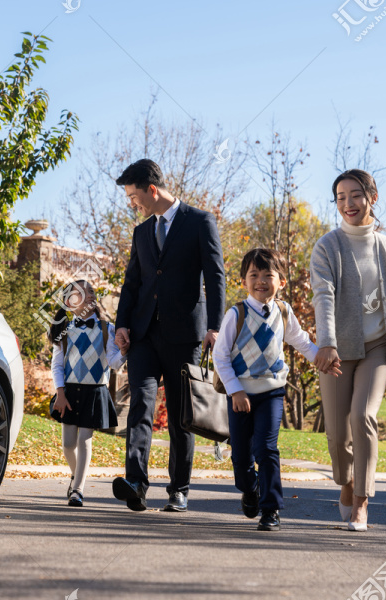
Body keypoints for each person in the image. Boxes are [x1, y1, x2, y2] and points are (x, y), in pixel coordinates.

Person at [111, 159, 226, 512]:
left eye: (133, 196)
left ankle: (178, 488)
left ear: (152, 190)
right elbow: (132, 284)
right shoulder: (141, 232)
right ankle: (136, 483)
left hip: (185, 336)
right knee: (140, 408)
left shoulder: (200, 222)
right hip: (144, 335)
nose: (132, 202)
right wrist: (121, 324)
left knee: (180, 415)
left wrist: (215, 327)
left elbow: (215, 276)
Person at [311, 169, 386, 532]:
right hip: (338, 349)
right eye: (340, 197)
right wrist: (328, 342)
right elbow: (324, 296)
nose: (348, 204)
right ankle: (347, 485)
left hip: (378, 347)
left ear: (372, 198)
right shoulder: (327, 246)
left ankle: (363, 501)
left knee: (362, 416)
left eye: (355, 195)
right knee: (337, 433)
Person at [212, 248, 332, 531]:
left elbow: (300, 341)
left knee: (267, 449)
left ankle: (271, 509)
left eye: (268, 275)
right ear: (244, 281)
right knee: (242, 459)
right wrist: (235, 391)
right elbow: (220, 356)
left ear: (281, 281)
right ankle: (250, 488)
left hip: (272, 392)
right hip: (240, 394)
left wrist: (320, 358)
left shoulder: (283, 311)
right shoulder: (236, 313)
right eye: (254, 275)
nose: (261, 281)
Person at [50, 279, 126, 507]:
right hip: (69, 392)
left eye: (90, 291)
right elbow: (57, 366)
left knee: (84, 440)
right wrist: (60, 393)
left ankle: (78, 490)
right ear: (69, 302)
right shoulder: (63, 330)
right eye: (80, 293)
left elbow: (113, 363)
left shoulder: (107, 329)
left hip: (95, 392)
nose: (88, 295)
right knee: (67, 444)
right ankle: (76, 476)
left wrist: (123, 352)